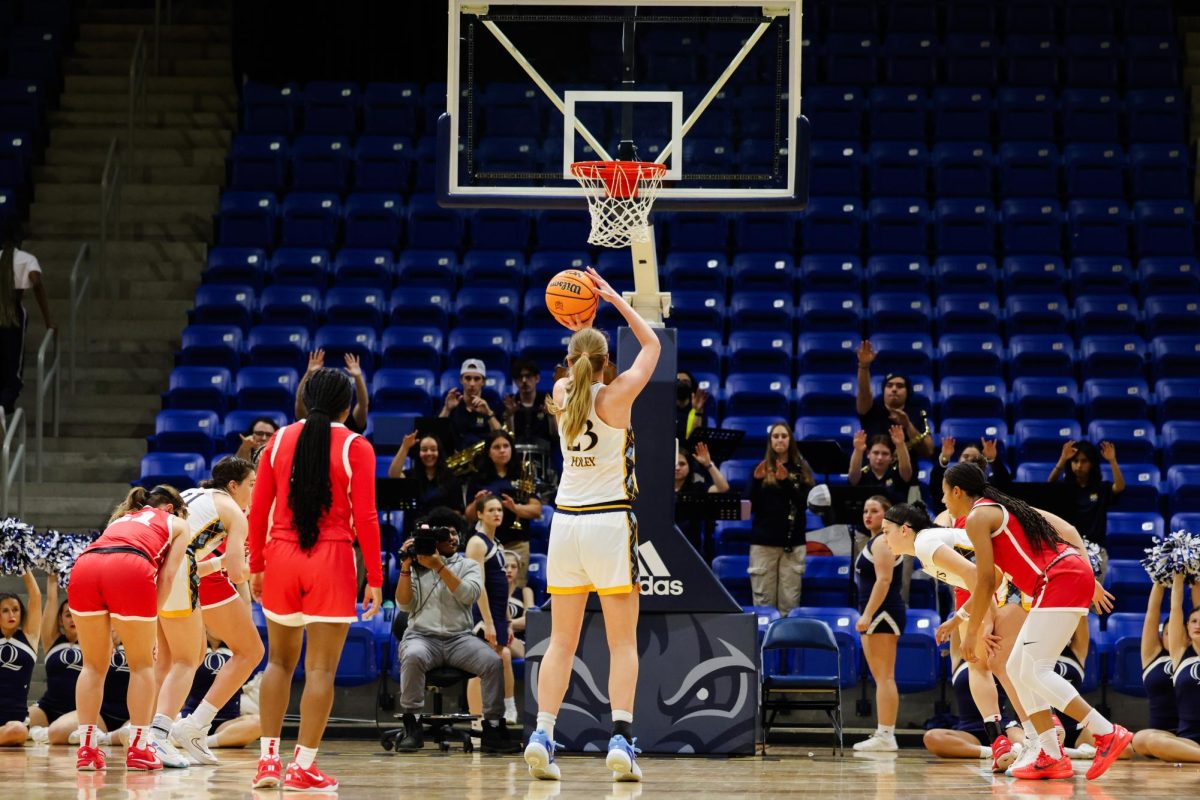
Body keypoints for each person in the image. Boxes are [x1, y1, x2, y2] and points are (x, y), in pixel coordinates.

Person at [525, 266, 660, 783]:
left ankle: (542, 732)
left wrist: (582, 315)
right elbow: (651, 347)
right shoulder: (618, 395)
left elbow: (580, 361)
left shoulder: (562, 393)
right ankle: (622, 741)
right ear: (608, 362)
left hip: (566, 525)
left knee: (561, 641)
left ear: (570, 361)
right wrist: (612, 299)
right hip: (609, 523)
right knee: (623, 643)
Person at [945, 462, 1131, 781]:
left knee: (1036, 669)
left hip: (1060, 578)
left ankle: (1106, 732)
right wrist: (962, 617)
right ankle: (1050, 754)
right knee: (1018, 668)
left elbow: (986, 580)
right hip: (1062, 577)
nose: (943, 501)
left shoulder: (977, 516)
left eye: (944, 494)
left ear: (958, 491)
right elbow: (998, 574)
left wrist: (971, 632)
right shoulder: (996, 508)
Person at [248, 367, 383, 792]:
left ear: (305, 399)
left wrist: (256, 563)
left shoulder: (278, 440)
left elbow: (257, 507)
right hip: (331, 558)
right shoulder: (356, 446)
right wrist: (375, 576)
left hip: (282, 556)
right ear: (347, 406)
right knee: (320, 669)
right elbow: (366, 517)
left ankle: (268, 762)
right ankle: (302, 766)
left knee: (278, 662)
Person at [883, 502, 1022, 772]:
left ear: (905, 530)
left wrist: (983, 623)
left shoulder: (925, 542)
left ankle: (1042, 740)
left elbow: (980, 577)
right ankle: (1002, 743)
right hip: (1003, 587)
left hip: (1017, 583)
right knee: (983, 665)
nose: (883, 538)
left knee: (1003, 667)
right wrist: (963, 618)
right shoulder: (927, 550)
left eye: (886, 531)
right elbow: (978, 580)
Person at [67, 485, 192, 772]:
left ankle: (87, 750)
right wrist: (153, 619)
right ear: (172, 508)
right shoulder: (178, 523)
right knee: (142, 664)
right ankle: (138, 748)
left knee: (93, 666)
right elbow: (169, 575)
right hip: (131, 566)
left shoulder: (122, 518)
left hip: (85, 566)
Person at [150, 456, 257, 767]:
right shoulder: (235, 512)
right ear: (234, 485)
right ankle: (169, 733)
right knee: (202, 656)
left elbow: (205, 562)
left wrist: (227, 562)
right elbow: (238, 575)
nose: (254, 490)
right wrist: (264, 568)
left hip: (158, 568)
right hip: (179, 570)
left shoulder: (194, 494)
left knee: (169, 660)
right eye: (251, 484)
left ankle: (147, 734)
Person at [393, 507, 519, 753]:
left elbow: (469, 595)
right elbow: (404, 604)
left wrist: (439, 566)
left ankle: (493, 726)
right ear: (434, 540)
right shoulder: (417, 565)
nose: (452, 538)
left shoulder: (468, 565)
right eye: (445, 534)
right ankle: (413, 724)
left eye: (455, 533)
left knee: (493, 662)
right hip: (422, 637)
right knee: (413, 655)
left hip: (459, 639)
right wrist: (406, 567)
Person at [853, 501, 906, 752]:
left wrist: (867, 614)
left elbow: (884, 581)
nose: (868, 515)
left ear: (888, 514)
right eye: (865, 511)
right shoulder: (875, 541)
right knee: (881, 677)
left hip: (883, 614)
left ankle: (886, 735)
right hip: (878, 614)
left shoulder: (884, 542)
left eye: (874, 511)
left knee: (885, 677)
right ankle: (883, 732)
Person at [747, 423, 815, 616]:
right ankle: (763, 645)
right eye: (775, 436)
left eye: (784, 436)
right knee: (763, 604)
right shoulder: (759, 468)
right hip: (763, 544)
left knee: (790, 604)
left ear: (790, 440)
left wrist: (785, 482)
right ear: (770, 441)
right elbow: (748, 505)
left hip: (792, 544)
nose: (779, 440)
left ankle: (786, 645)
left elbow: (805, 504)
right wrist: (756, 481)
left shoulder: (801, 470)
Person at [1133, 574, 1200, 762]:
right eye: (1193, 622)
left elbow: (1197, 606)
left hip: (1180, 736)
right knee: (1142, 740)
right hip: (1185, 739)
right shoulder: (1178, 656)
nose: (1197, 625)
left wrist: (1195, 572)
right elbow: (1169, 609)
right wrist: (1172, 575)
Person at [465, 430, 543, 588]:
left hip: (517, 544)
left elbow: (536, 510)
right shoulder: (478, 478)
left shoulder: (523, 474)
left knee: (515, 590)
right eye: (497, 447)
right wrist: (476, 503)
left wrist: (516, 508)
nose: (502, 450)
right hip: (487, 544)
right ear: (488, 452)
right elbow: (469, 516)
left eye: (506, 446)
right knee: (486, 588)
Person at [465, 494, 514, 724]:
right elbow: (478, 586)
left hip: (497, 614)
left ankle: (499, 715)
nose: (497, 513)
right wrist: (488, 622)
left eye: (500, 510)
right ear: (480, 514)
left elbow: (502, 586)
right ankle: (477, 721)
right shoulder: (477, 543)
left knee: (500, 659)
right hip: (482, 615)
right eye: (491, 510)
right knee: (479, 669)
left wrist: (507, 621)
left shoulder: (498, 544)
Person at [1047, 440, 1124, 582]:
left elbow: (1119, 487)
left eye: (1084, 461)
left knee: (1093, 602)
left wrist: (1112, 461)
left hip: (1096, 551)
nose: (1079, 466)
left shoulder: (1101, 488)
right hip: (1068, 551)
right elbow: (1049, 487)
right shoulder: (1065, 489)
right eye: (1075, 461)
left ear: (1092, 464)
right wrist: (1062, 459)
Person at [924, 655, 1023, 762]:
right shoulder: (959, 658)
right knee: (931, 737)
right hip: (970, 731)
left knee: (1025, 744)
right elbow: (960, 639)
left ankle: (1008, 749)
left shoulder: (998, 654)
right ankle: (992, 752)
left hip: (1003, 725)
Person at [0, 227, 54, 415]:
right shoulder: (25, 259)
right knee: (12, 370)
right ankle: (2, 408)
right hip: (12, 315)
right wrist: (48, 320)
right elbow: (36, 282)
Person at [854, 340, 933, 460]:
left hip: (905, 475)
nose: (894, 389)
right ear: (883, 390)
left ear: (908, 392)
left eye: (900, 386)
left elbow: (928, 451)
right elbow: (864, 393)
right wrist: (864, 366)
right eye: (889, 385)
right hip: (872, 473)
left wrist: (908, 426)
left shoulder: (917, 412)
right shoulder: (872, 408)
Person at [181, 635, 262, 749]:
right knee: (163, 726)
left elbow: (248, 680)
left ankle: (203, 742)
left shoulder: (239, 650)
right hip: (191, 719)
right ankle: (188, 735)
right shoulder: (194, 645)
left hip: (226, 724)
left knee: (261, 723)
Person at [27, 575, 78, 744]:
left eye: (76, 614)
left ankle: (43, 734)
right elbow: (51, 598)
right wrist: (52, 568)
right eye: (68, 615)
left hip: (78, 710)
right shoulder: (51, 640)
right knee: (16, 723)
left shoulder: (96, 643)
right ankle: (40, 732)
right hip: (47, 708)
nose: (73, 619)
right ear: (60, 620)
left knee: (59, 733)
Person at [387, 432, 464, 531]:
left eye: (433, 449)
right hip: (415, 531)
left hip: (442, 532)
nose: (429, 453)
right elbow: (393, 474)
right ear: (418, 453)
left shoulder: (451, 478)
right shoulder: (411, 475)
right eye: (424, 450)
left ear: (439, 452)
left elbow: (457, 511)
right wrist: (405, 447)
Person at [0, 570, 41, 746]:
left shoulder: (29, 637)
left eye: (15, 609)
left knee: (18, 731)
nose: (12, 615)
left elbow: (36, 597)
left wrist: (24, 567)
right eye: (5, 610)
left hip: (15, 720)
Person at [674, 442, 729, 560]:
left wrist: (709, 464)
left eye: (682, 464)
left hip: (691, 546)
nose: (677, 467)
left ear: (689, 467)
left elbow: (722, 488)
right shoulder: (658, 488)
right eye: (674, 464)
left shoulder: (697, 487)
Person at [929, 437, 1011, 514]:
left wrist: (992, 459)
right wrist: (945, 457)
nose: (969, 459)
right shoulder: (949, 485)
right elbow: (935, 483)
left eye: (975, 457)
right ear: (958, 461)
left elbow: (1004, 484)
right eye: (965, 456)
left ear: (982, 463)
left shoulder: (989, 486)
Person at [296, 349, 369, 431]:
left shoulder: (351, 423)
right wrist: (309, 373)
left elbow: (363, 404)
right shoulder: (312, 420)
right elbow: (300, 401)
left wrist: (358, 376)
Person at [439, 358, 502, 450]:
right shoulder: (451, 400)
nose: (472, 383)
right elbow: (436, 435)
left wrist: (488, 413)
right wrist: (447, 409)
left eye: (477, 379)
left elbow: (501, 438)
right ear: (461, 380)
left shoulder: (492, 402)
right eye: (468, 378)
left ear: (483, 382)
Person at [848, 428, 913, 506]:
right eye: (876, 453)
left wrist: (900, 444)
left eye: (885, 454)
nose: (880, 458)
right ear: (868, 454)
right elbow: (853, 477)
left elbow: (906, 471)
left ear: (891, 457)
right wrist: (858, 450)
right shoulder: (862, 476)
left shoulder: (898, 475)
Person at [505, 358, 557, 450]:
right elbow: (508, 438)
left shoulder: (548, 401)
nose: (524, 380)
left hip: (543, 453)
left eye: (528, 376)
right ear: (515, 381)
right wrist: (510, 416)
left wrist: (551, 416)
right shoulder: (510, 403)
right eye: (520, 377)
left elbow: (555, 436)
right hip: (517, 453)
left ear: (537, 378)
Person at [674, 370, 708, 445]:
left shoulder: (697, 410)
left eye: (685, 381)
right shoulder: (666, 408)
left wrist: (698, 411)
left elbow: (696, 441)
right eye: (678, 381)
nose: (681, 384)